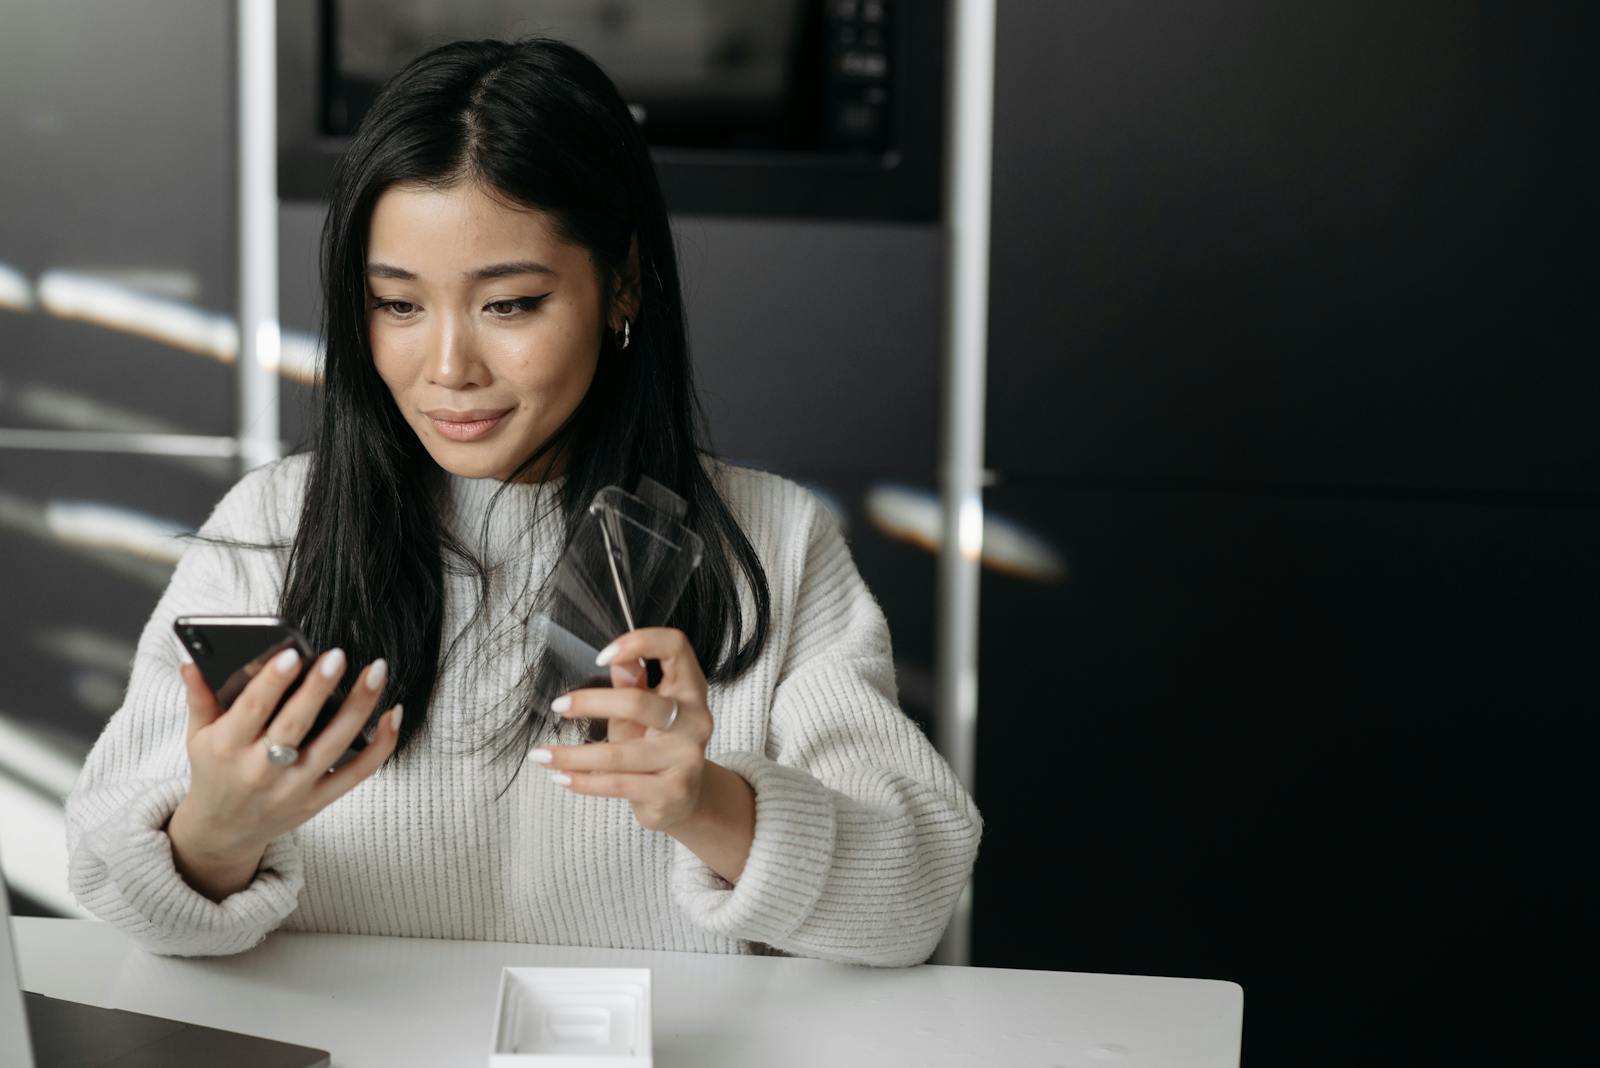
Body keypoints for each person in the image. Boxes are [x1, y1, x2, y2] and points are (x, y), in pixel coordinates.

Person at [64, 37, 980, 967]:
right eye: (399, 306)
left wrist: (706, 804)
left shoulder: (771, 538)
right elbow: (106, 886)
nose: (448, 369)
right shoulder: (272, 527)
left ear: (622, 284)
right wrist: (216, 835)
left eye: (509, 305)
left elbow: (914, 905)